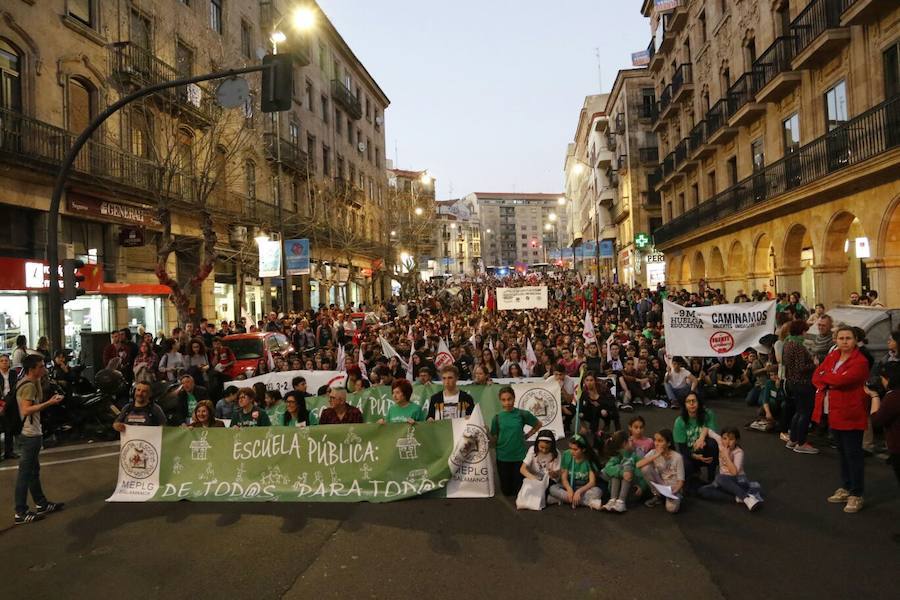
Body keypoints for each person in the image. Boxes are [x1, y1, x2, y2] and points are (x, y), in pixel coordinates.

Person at [813, 326, 870, 514]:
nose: (844, 341)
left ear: (855, 340)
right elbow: (817, 376)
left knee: (853, 455)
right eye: (841, 338)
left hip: (851, 412)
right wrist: (831, 377)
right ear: (836, 340)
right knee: (842, 453)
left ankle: (857, 493)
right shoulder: (833, 356)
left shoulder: (860, 361)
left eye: (848, 338)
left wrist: (828, 377)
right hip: (834, 412)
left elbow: (841, 381)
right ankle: (846, 487)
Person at [14, 354, 65, 524]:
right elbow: (27, 410)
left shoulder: (31, 382)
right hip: (29, 434)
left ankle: (41, 503)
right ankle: (20, 512)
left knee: (33, 472)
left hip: (32, 432)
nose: (44, 368)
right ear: (33, 369)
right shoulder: (28, 386)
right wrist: (50, 403)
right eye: (41, 366)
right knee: (25, 474)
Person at [490, 386, 542, 496]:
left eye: (509, 399)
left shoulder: (522, 414)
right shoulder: (497, 418)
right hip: (502, 457)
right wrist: (486, 432)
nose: (507, 402)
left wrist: (528, 435)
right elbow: (494, 439)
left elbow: (538, 424)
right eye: (504, 400)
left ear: (514, 398)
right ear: (500, 400)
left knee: (518, 490)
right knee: (506, 492)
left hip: (519, 457)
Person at [697, 427, 762, 511]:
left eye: (731, 439)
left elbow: (734, 472)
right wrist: (701, 439)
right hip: (724, 482)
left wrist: (726, 456)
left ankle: (746, 498)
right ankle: (739, 497)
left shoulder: (738, 452)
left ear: (736, 440)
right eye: (725, 438)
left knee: (719, 477)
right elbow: (705, 429)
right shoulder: (720, 441)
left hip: (739, 479)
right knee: (702, 491)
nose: (727, 442)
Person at [782, 320, 819, 454]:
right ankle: (802, 443)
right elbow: (801, 368)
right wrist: (814, 364)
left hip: (793, 382)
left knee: (798, 411)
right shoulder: (798, 345)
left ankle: (793, 439)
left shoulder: (787, 343)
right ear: (802, 331)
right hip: (803, 383)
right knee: (805, 413)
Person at [547, 434, 604, 510]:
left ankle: (561, 500)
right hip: (569, 485)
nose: (572, 452)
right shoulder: (567, 454)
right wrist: (569, 489)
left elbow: (592, 482)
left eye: (575, 449)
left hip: (583, 487)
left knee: (597, 492)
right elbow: (564, 478)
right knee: (553, 488)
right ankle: (587, 502)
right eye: (570, 448)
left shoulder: (589, 459)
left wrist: (579, 492)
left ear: (583, 449)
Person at [673, 393, 719, 484]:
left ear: (698, 402)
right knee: (685, 466)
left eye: (694, 401)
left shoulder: (708, 414)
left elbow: (711, 431)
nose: (691, 403)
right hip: (691, 454)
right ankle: (695, 473)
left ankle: (711, 478)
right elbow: (682, 449)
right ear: (684, 405)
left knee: (712, 443)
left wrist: (702, 438)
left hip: (706, 450)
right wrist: (695, 456)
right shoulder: (679, 422)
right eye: (688, 401)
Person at [637, 428, 685, 514]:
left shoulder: (677, 457)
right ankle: (658, 496)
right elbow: (638, 465)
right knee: (645, 468)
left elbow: (681, 481)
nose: (656, 443)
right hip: (661, 484)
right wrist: (656, 455)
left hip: (673, 487)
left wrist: (675, 491)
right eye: (655, 440)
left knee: (671, 509)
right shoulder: (653, 452)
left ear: (669, 443)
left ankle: (673, 497)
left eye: (660, 441)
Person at [600, 430, 647, 512]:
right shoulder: (617, 456)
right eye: (629, 439)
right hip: (616, 490)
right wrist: (621, 473)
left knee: (627, 468)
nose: (632, 440)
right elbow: (608, 468)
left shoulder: (635, 455)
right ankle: (613, 500)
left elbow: (643, 472)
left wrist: (642, 486)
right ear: (624, 444)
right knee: (618, 470)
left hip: (633, 490)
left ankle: (621, 502)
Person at [0, 354, 20, 460]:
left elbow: (15, 387)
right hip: (0, 403)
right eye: (2, 361)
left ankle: (9, 451)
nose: (4, 362)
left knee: (9, 428)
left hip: (11, 402)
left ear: (9, 362)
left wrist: (8, 399)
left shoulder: (13, 373)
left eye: (6, 360)